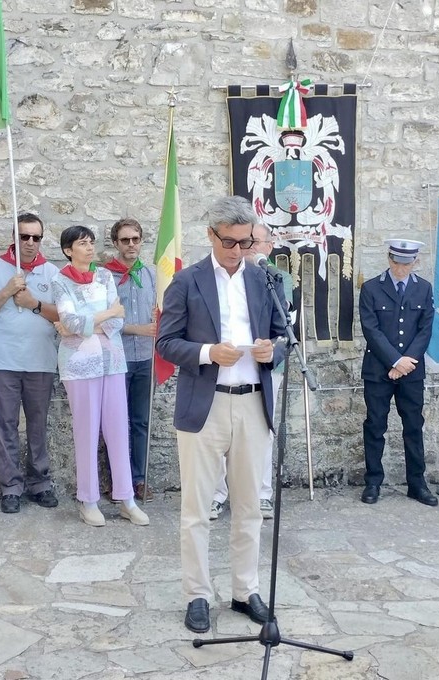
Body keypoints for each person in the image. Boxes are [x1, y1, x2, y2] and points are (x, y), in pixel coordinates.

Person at [156, 196, 286, 634]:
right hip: (205, 406)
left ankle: (244, 588)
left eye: (246, 242)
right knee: (197, 508)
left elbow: (285, 336)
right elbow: (166, 342)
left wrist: (273, 351)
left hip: (253, 402)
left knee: (250, 505)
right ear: (211, 235)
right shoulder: (187, 281)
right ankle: (197, 593)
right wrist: (209, 352)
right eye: (230, 241)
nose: (237, 250)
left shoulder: (265, 278)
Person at [51, 225, 149, 528]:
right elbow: (68, 319)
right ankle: (88, 499)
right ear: (69, 249)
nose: (90, 248)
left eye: (91, 242)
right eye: (82, 243)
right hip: (80, 365)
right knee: (87, 431)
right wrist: (103, 316)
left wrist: (85, 324)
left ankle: (126, 498)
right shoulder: (60, 281)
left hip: (113, 361)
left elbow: (115, 323)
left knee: (118, 430)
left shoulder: (105, 276)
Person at [209, 222, 293, 522]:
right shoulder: (215, 279)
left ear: (269, 247)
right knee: (218, 439)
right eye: (246, 242)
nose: (251, 248)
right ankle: (218, 496)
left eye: (256, 242)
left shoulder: (276, 278)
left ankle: (262, 494)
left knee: (263, 435)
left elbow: (284, 330)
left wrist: (272, 349)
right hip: (220, 375)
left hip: (265, 371)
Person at [0, 212, 61, 514]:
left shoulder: (52, 272)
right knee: (5, 426)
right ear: (14, 238)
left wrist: (34, 304)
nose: (29, 242)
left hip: (40, 361)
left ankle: (40, 483)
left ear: (41, 239)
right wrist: (7, 291)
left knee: (38, 426)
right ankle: (11, 487)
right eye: (24, 236)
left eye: (35, 237)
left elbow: (63, 315)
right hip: (3, 360)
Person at [358, 238, 438, 507]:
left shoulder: (424, 289)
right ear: (389, 258)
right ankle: (373, 482)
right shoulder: (371, 288)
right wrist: (394, 361)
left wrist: (407, 362)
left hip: (412, 371)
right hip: (378, 369)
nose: (401, 268)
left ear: (414, 262)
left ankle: (417, 483)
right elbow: (371, 329)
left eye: (406, 263)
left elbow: (425, 328)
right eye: (396, 262)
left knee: (414, 426)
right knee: (375, 425)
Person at [104, 218, 156, 502]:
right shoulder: (104, 277)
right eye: (125, 240)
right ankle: (118, 480)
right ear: (116, 243)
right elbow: (104, 319)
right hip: (117, 359)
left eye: (136, 239)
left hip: (146, 358)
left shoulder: (150, 274)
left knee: (141, 421)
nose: (131, 245)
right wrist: (138, 329)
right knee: (115, 422)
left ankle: (139, 479)